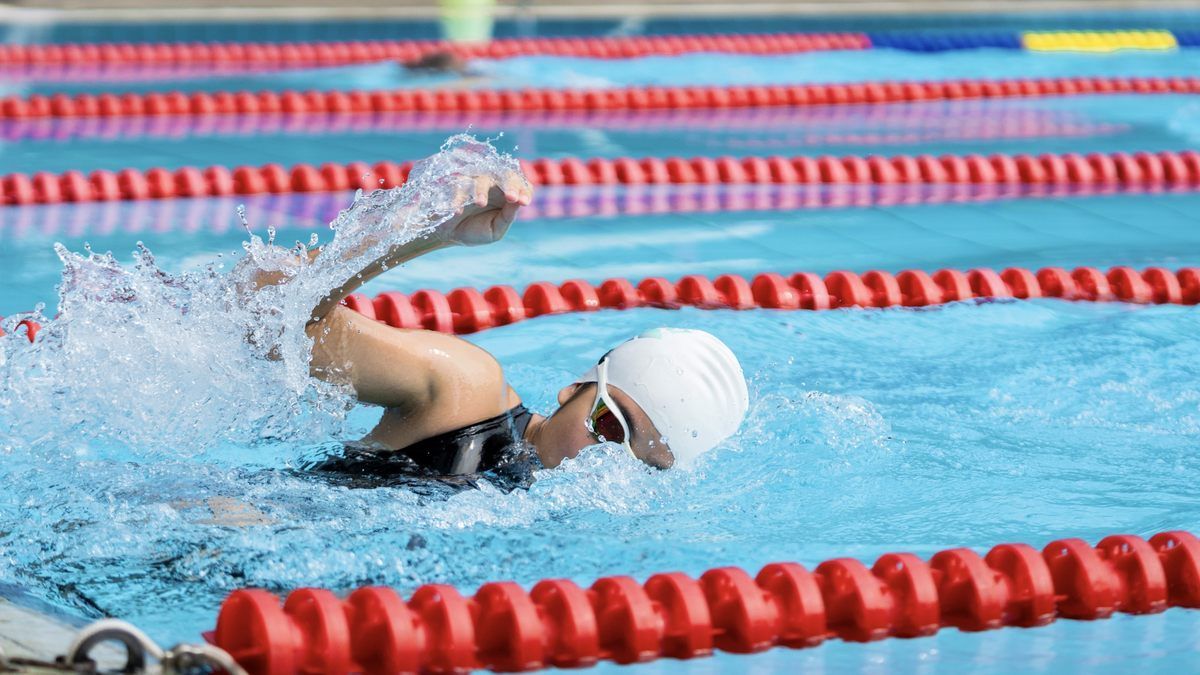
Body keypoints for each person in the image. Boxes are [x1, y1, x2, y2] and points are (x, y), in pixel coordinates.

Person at [254, 166, 749, 482]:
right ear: (574, 388)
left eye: (646, 469)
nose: (606, 467)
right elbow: (265, 312)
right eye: (609, 428)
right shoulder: (465, 390)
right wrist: (427, 232)